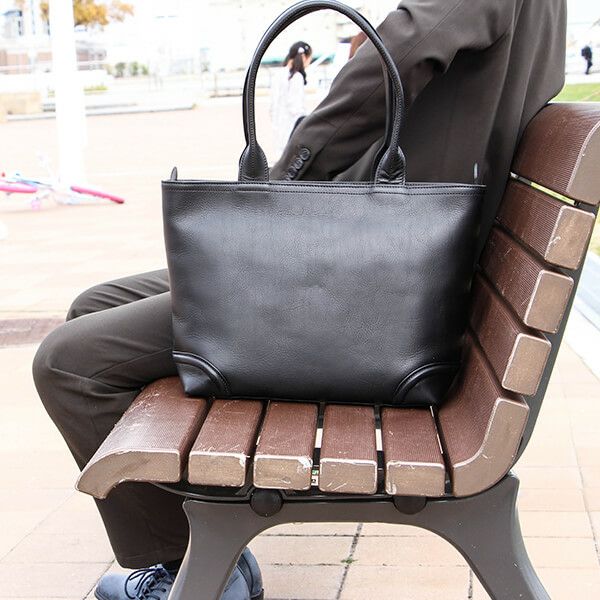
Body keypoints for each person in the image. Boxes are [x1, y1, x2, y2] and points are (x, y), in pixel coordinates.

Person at [32, 1, 567, 599]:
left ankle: (198, 568)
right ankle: (204, 539)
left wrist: (286, 177)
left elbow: (405, 46)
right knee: (95, 304)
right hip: (384, 260)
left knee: (68, 363)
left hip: (375, 282)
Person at [270, 41, 313, 158]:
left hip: (278, 128)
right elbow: (297, 109)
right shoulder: (296, 77)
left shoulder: (277, 75)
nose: (309, 63)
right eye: (310, 59)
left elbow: (273, 105)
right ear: (304, 57)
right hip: (292, 129)